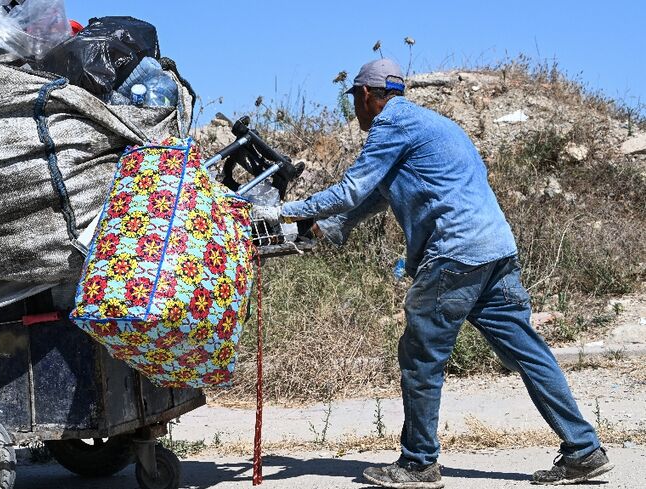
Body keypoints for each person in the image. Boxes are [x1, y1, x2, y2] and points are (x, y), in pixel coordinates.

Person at [259, 58, 613, 488]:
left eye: (355, 100)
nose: (355, 109)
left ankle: (418, 463)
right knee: (527, 351)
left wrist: (280, 213)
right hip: (495, 251)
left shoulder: (391, 124)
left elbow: (352, 188)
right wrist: (331, 226)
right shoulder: (430, 124)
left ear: (367, 96)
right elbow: (374, 195)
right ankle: (584, 451)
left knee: (421, 357)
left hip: (455, 256)